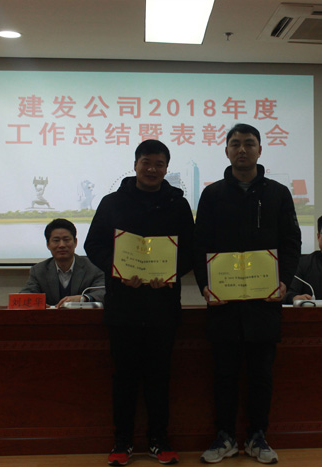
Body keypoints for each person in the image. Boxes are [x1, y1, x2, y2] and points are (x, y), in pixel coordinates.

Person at [193, 123, 301, 464]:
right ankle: (224, 436)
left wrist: (284, 282)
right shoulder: (212, 195)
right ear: (226, 150)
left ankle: (257, 437)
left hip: (264, 301)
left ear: (260, 150)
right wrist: (205, 284)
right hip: (223, 301)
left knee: (261, 375)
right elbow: (200, 244)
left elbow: (291, 242)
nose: (242, 149)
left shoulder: (278, 193)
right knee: (223, 374)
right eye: (236, 144)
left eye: (249, 143)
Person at [84, 139, 194, 466]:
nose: (152, 169)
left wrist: (170, 273)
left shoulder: (178, 205)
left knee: (160, 377)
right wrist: (117, 270)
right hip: (124, 307)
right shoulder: (112, 202)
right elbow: (94, 245)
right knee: (125, 378)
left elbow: (190, 250)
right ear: (135, 165)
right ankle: (122, 442)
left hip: (163, 306)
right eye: (146, 162)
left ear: (166, 168)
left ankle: (159, 440)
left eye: (159, 164)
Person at [20, 218, 105, 307]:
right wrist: (36, 303)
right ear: (48, 245)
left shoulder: (94, 267)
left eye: (66, 240)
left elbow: (103, 292)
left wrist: (83, 298)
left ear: (75, 242)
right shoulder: (38, 270)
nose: (62, 245)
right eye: (56, 240)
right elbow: (27, 293)